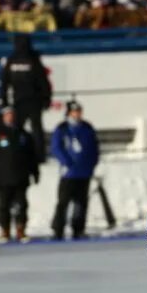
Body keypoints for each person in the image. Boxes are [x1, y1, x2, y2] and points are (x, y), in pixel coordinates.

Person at [0, 106, 39, 241]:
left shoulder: (23, 134)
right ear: (3, 117)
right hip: (3, 178)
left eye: (12, 115)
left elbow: (32, 156)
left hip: (21, 177)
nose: (10, 117)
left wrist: (35, 172)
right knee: (4, 206)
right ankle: (5, 230)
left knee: (22, 205)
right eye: (7, 115)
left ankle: (21, 229)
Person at [50, 100, 99, 240]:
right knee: (63, 202)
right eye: (74, 111)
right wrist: (66, 162)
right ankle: (58, 229)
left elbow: (94, 148)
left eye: (79, 111)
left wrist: (91, 163)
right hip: (68, 173)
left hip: (84, 172)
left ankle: (78, 228)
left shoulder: (87, 127)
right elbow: (56, 147)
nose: (77, 114)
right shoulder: (62, 128)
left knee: (81, 202)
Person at [0, 34, 52, 161]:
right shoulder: (33, 59)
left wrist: (5, 101)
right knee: (37, 129)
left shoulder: (11, 60)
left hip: (18, 101)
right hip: (34, 100)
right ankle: (40, 156)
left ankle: (16, 153)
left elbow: (5, 83)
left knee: (17, 129)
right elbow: (43, 81)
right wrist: (46, 98)